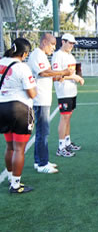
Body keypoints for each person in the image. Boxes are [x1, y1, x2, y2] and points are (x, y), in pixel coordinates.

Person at [28, 33, 72, 174]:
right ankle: (42, 163)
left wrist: (57, 77)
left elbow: (46, 74)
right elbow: (43, 73)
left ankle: (39, 161)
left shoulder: (41, 55)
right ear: (45, 42)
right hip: (39, 100)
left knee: (42, 132)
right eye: (52, 44)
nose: (53, 48)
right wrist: (62, 72)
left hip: (43, 99)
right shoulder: (37, 54)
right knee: (43, 132)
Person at [0, 38, 37, 193]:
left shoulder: (1, 62)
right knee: (19, 148)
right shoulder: (22, 67)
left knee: (9, 146)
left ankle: (10, 176)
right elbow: (32, 93)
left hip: (2, 107)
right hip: (19, 108)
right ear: (25, 53)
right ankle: (16, 184)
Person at [52, 33, 84, 157]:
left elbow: (74, 70)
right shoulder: (58, 55)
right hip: (63, 91)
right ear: (63, 42)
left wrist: (77, 75)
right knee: (64, 118)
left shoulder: (70, 56)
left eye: (73, 43)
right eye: (70, 43)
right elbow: (56, 74)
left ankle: (67, 142)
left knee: (68, 118)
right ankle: (61, 147)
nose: (72, 45)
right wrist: (75, 77)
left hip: (71, 90)